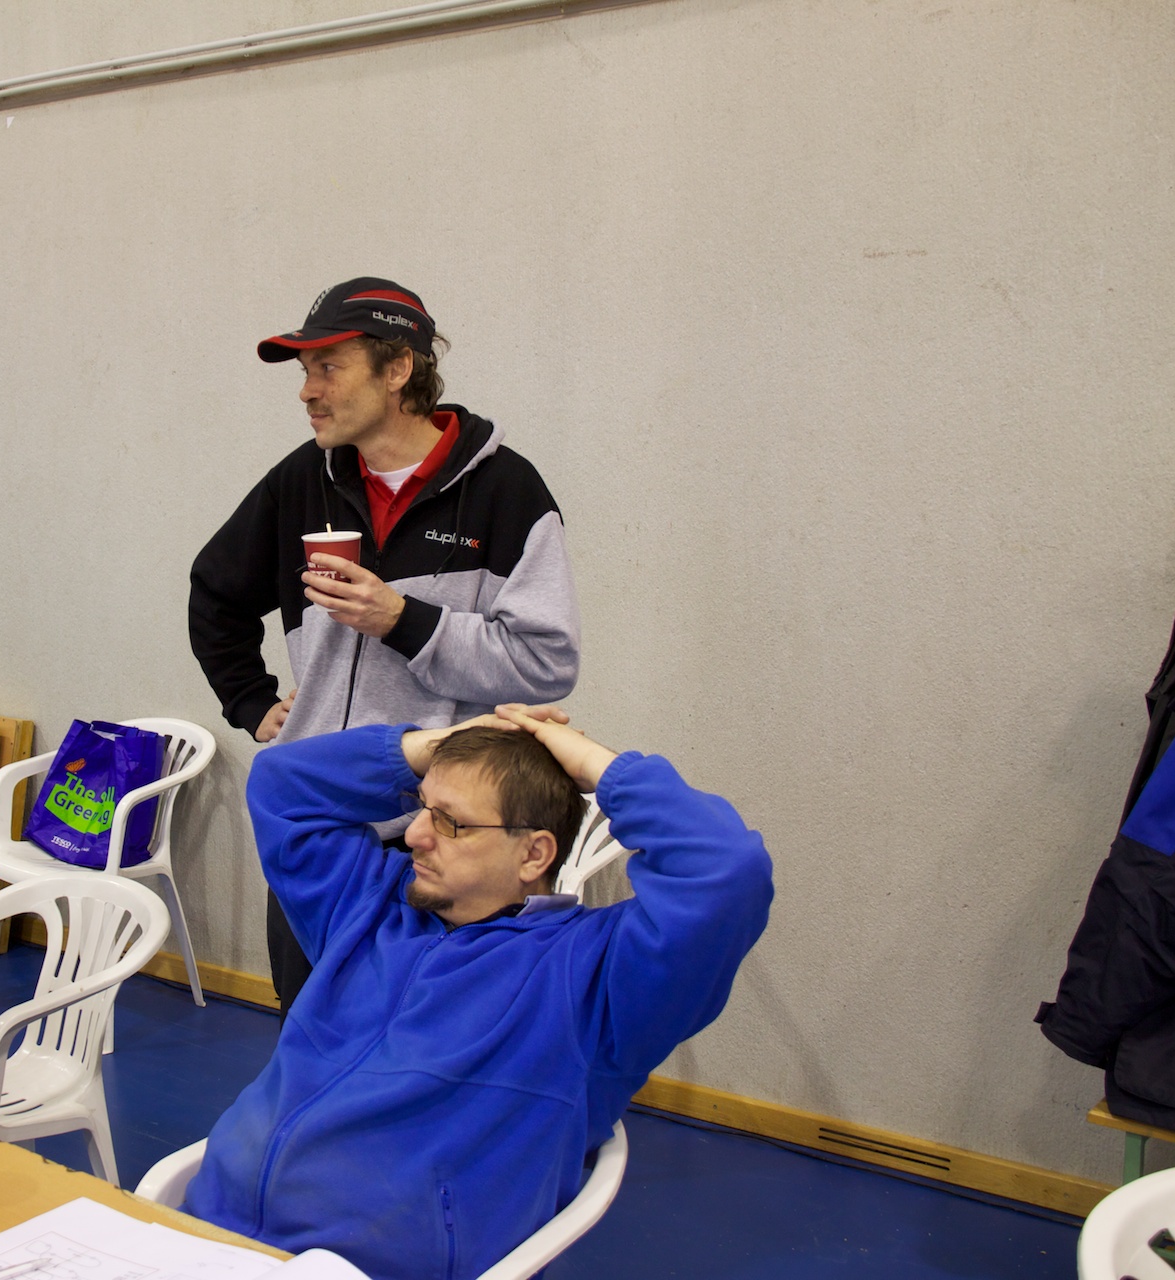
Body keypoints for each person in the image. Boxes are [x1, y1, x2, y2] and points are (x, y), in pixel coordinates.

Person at [182, 706, 774, 1280]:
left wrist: (595, 765)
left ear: (534, 853)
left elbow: (726, 871)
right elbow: (281, 782)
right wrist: (435, 747)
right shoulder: (367, 907)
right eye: (422, 807)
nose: (415, 834)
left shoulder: (593, 976)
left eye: (450, 822)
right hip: (204, 1230)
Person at [188, 277, 582, 1010]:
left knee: (422, 1052)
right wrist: (252, 702)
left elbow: (545, 661)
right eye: (305, 371)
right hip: (316, 835)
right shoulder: (302, 480)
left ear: (398, 368)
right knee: (311, 1038)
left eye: (328, 367)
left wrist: (404, 619)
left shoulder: (507, 492)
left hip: (438, 844)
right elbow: (215, 591)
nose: (307, 391)